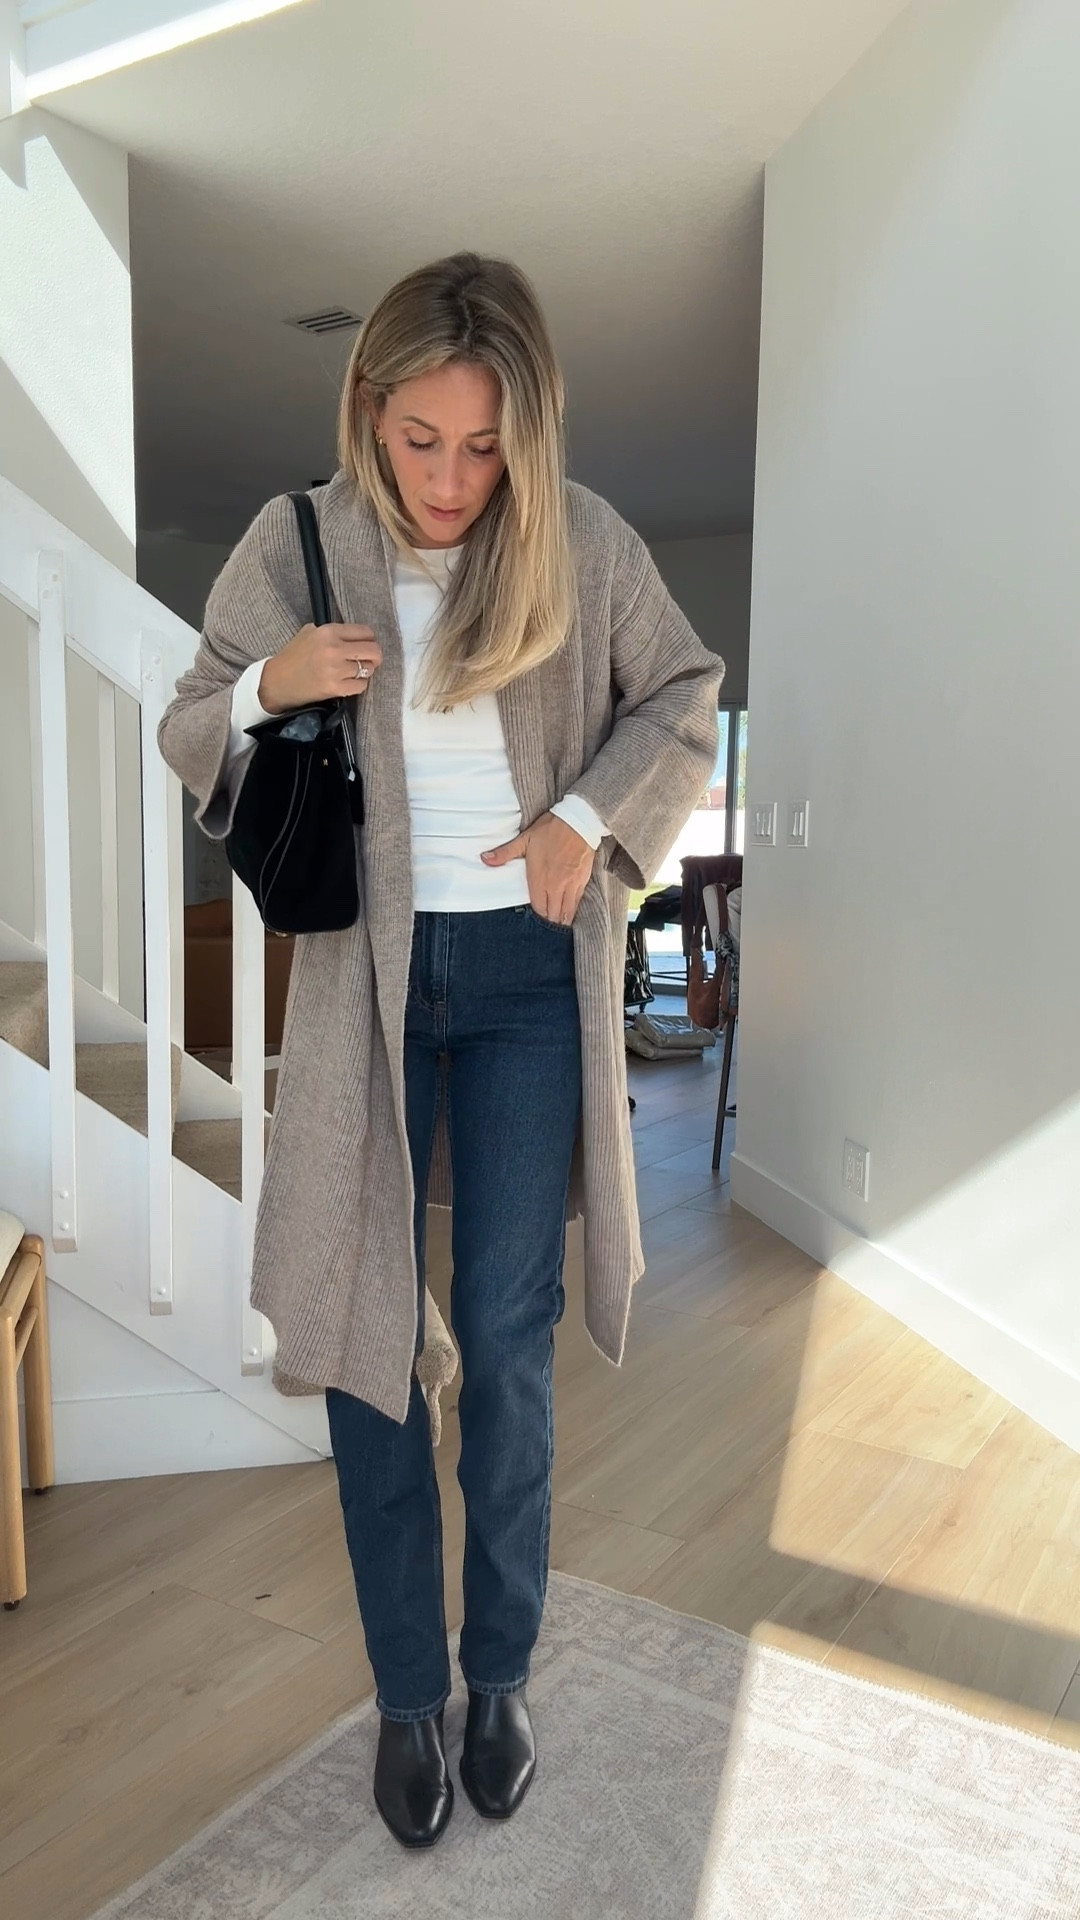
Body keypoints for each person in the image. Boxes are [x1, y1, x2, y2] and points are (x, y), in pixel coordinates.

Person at [157, 251, 724, 1850]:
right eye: (421, 440)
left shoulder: (581, 539)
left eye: (485, 445)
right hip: (366, 984)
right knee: (367, 1341)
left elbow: (685, 688)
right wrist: (271, 682)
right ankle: (408, 1690)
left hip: (531, 979)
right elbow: (192, 715)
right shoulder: (296, 541)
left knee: (506, 1342)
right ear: (367, 407)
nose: (453, 480)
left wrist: (586, 817)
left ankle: (500, 1679)